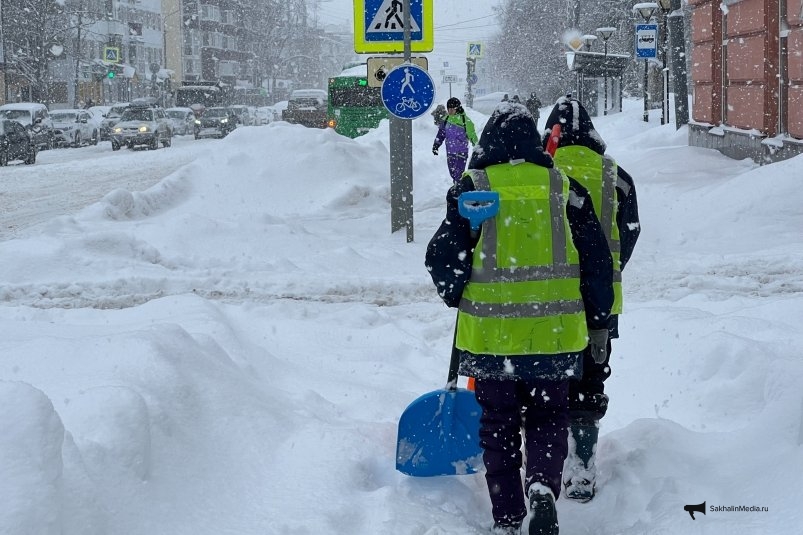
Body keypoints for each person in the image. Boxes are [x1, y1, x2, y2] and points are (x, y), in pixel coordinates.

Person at [425, 102, 614, 535]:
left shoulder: (473, 187)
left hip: (492, 341)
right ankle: (543, 488)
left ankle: (508, 516)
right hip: (556, 337)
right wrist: (599, 320)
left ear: (487, 141)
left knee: (499, 425)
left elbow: (440, 257)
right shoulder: (563, 188)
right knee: (550, 419)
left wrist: (456, 291)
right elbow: (597, 262)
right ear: (535, 142)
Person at [542, 96, 641, 503]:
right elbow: (630, 231)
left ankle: (546, 462)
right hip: (603, 301)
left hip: (550, 299)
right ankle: (582, 464)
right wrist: (608, 271)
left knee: (549, 379)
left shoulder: (545, 173)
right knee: (590, 380)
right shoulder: (617, 176)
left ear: (552, 134)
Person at [432, 97, 478, 183]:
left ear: (457, 108)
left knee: (459, 173)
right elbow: (441, 134)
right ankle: (457, 185)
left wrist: (477, 147)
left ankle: (458, 189)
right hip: (450, 152)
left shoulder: (465, 121)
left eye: (452, 109)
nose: (450, 111)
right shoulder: (445, 120)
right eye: (448, 108)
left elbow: (472, 135)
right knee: (452, 172)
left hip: (462, 152)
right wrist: (436, 145)